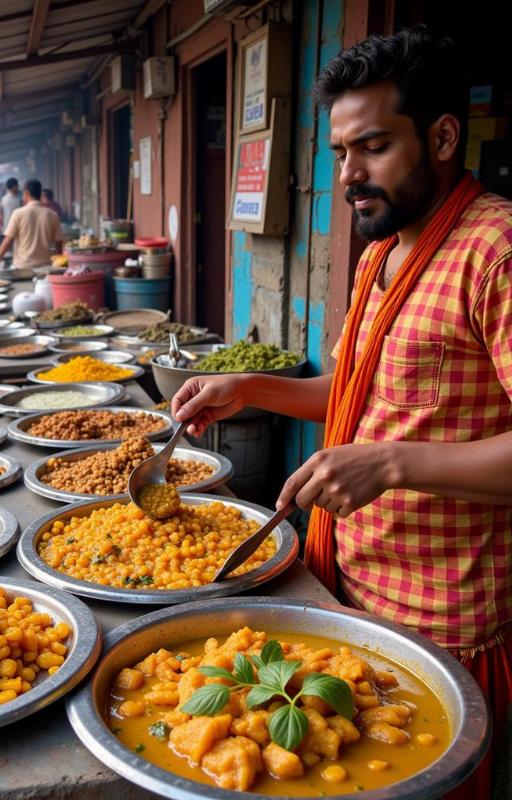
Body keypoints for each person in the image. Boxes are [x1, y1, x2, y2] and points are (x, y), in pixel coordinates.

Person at [173, 27, 512, 797]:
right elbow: (364, 392)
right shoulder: (379, 255)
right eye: (339, 155)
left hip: (438, 624)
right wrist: (251, 387)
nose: (351, 175)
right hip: (339, 592)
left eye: (374, 148)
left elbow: (390, 440)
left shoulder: (496, 250)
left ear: (444, 137)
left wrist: (390, 463)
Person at [0, 178, 63, 270]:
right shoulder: (52, 214)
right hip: (46, 267)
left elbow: (7, 241)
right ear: (40, 194)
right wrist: (60, 262)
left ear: (26, 194)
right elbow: (58, 241)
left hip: (23, 267)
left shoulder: (18, 213)